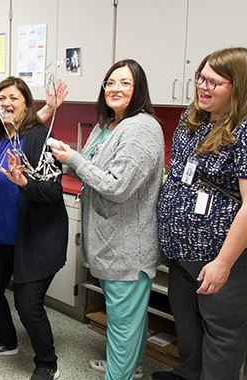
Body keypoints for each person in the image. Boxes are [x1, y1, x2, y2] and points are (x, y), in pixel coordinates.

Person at [154, 47, 247, 380]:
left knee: (222, 334)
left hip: (229, 259)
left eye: (213, 82)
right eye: (200, 78)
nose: (201, 87)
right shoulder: (195, 117)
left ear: (240, 85)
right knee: (188, 327)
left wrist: (223, 263)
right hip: (183, 254)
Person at [50, 59, 163, 380]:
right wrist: (66, 154)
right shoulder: (107, 123)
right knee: (124, 318)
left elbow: (117, 186)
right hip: (108, 240)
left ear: (139, 89)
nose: (115, 88)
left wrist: (73, 159)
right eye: (110, 82)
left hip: (127, 246)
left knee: (124, 320)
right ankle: (130, 365)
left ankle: (119, 373)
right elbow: (91, 167)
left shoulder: (141, 127)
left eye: (125, 83)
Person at [0, 77, 67, 380]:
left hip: (35, 238)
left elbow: (53, 192)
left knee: (28, 305)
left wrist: (25, 183)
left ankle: (46, 361)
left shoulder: (39, 138)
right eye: (0, 98)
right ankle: (6, 340)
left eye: (13, 98)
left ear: (27, 104)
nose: (5, 103)